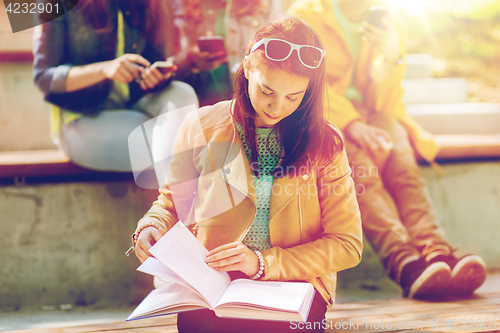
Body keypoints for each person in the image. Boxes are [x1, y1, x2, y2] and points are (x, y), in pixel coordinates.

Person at [132, 15, 363, 332]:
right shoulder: (200, 125)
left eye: (293, 97)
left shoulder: (326, 143)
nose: (277, 106)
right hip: (212, 288)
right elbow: (171, 204)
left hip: (293, 287)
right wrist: (151, 226)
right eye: (267, 90)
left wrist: (264, 263)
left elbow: (347, 243)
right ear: (246, 68)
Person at [289, 0, 487, 299]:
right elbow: (306, 85)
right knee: (361, 172)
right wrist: (353, 124)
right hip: (323, 117)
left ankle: (436, 253)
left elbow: (384, 102)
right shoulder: (305, 16)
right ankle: (405, 262)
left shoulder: (392, 22)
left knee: (402, 163)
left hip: (375, 113)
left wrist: (392, 57)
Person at [33, 0, 199, 172]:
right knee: (175, 147)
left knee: (182, 94)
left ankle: (174, 198)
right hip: (82, 119)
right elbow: (43, 77)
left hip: (134, 106)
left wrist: (153, 75)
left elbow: (154, 58)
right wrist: (105, 69)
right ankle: (180, 197)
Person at [170, 0, 282, 106]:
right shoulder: (181, 4)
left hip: (247, 103)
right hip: (198, 102)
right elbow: (163, 63)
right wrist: (189, 59)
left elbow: (278, 57)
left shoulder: (268, 3)